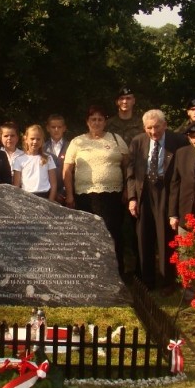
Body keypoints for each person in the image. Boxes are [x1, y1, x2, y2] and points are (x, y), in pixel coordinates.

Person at [126, 110, 188, 290]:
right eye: (149, 128)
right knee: (143, 236)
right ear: (144, 128)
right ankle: (147, 281)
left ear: (165, 125)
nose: (154, 132)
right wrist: (132, 198)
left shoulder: (178, 141)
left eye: (157, 127)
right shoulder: (138, 141)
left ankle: (167, 282)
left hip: (167, 191)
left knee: (165, 237)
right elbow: (130, 173)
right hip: (144, 191)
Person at [64, 105, 130, 273]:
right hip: (84, 196)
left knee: (112, 233)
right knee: (88, 234)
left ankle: (116, 272)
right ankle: (91, 273)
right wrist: (70, 195)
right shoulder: (77, 142)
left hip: (112, 196)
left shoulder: (116, 139)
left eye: (100, 119)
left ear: (105, 122)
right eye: (93, 119)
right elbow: (67, 171)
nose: (97, 122)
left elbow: (127, 167)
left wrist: (127, 190)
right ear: (87, 122)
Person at [13, 124, 57, 200]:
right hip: (26, 197)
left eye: (38, 139)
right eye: (32, 138)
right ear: (26, 139)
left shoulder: (48, 158)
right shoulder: (19, 160)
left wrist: (51, 200)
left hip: (44, 195)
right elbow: (16, 185)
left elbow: (53, 183)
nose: (35, 141)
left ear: (42, 140)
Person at [44, 114, 70, 203]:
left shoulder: (71, 146)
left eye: (59, 127)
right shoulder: (42, 148)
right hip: (47, 193)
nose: (56, 130)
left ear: (64, 128)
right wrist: (53, 192)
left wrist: (65, 191)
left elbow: (73, 172)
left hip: (67, 193)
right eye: (53, 127)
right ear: (48, 128)